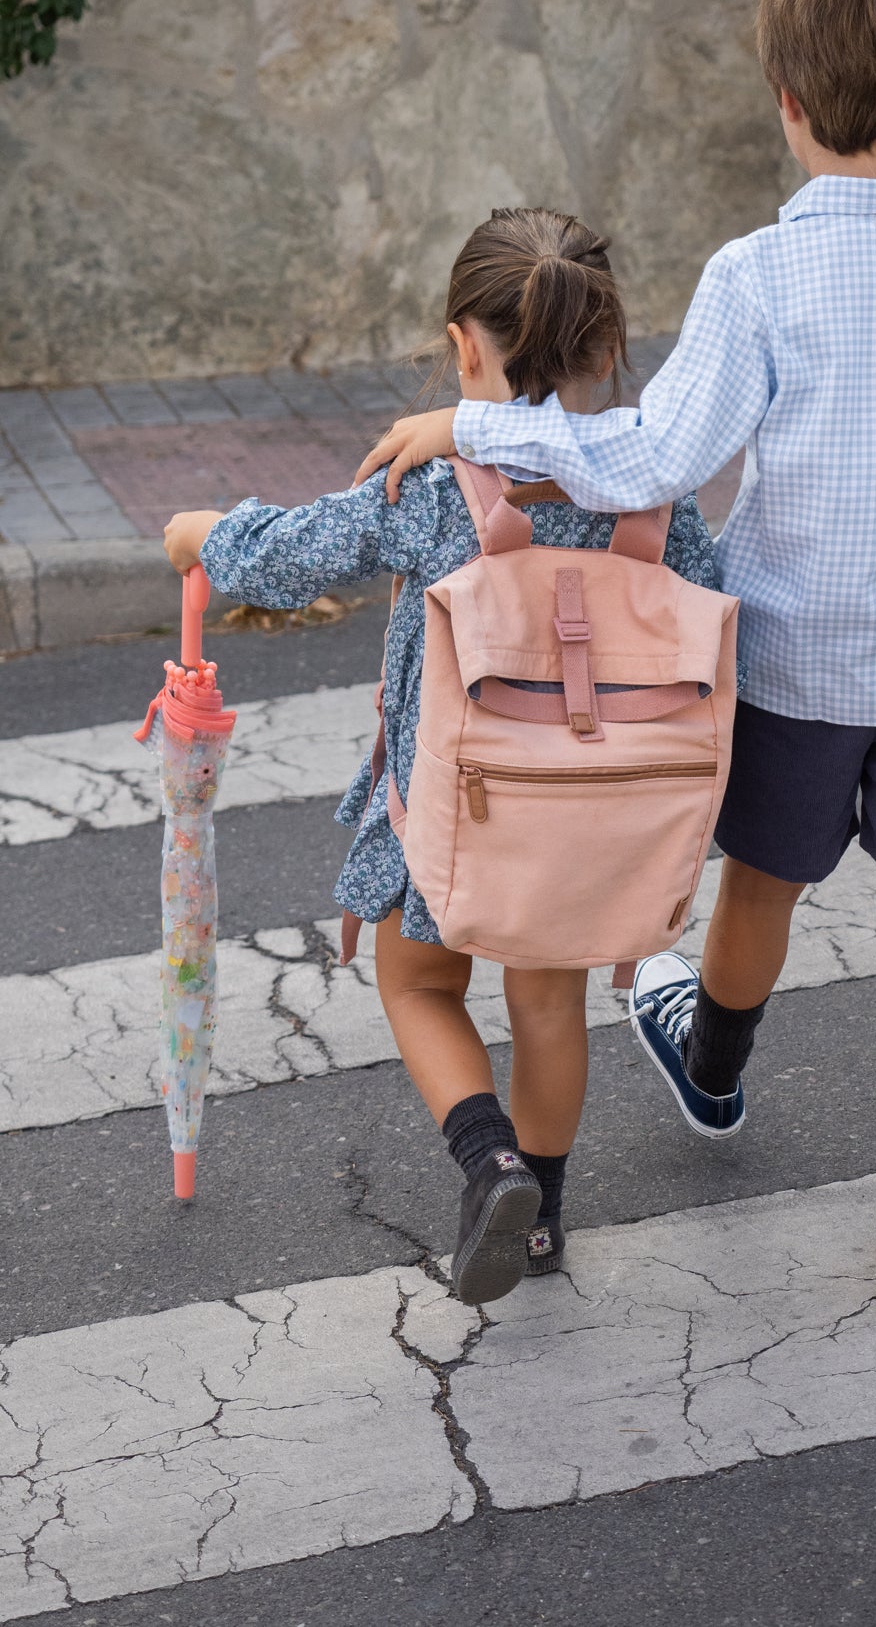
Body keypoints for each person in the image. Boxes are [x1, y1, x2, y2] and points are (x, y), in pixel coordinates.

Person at [353, 0, 876, 1316]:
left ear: (788, 103)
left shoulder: (762, 274)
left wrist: (474, 430)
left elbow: (654, 457)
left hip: (801, 661)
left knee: (762, 886)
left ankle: (716, 1068)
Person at [162, 207, 724, 1307]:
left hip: (453, 811)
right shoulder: (655, 493)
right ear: (607, 349)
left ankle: (489, 1160)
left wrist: (203, 534)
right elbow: (709, 599)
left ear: (464, 346)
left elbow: (291, 555)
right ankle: (546, 1215)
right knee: (550, 1006)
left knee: (417, 978)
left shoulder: (433, 487)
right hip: (587, 816)